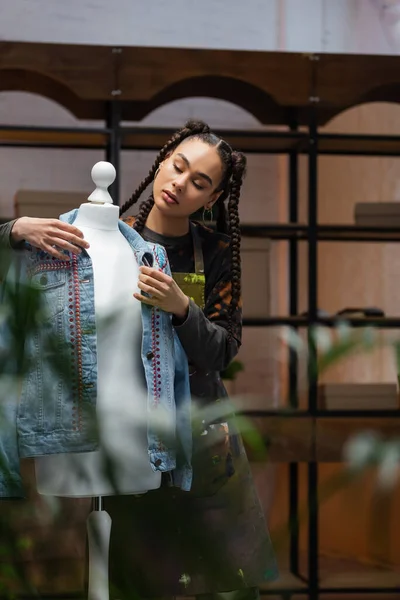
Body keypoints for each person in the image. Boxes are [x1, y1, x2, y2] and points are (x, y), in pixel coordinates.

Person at [0, 119, 277, 599]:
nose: (179, 184)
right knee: (144, 578)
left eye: (199, 183)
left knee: (224, 582)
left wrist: (180, 307)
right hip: (133, 434)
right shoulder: (102, 241)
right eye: (178, 167)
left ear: (210, 199)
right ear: (162, 161)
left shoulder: (213, 254)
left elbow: (222, 350)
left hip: (201, 435)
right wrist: (13, 230)